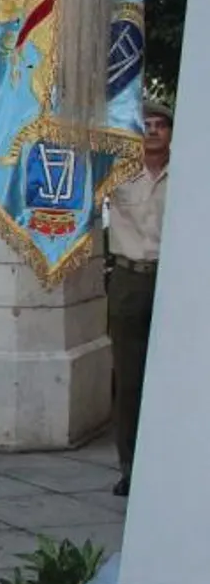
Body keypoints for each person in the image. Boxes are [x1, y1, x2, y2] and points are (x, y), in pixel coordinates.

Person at [106, 99, 171, 496]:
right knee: (129, 380)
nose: (152, 130)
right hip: (129, 279)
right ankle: (130, 467)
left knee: (171, 377)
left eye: (160, 124)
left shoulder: (192, 172)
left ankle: (169, 458)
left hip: (170, 279)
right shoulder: (118, 173)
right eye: (145, 124)